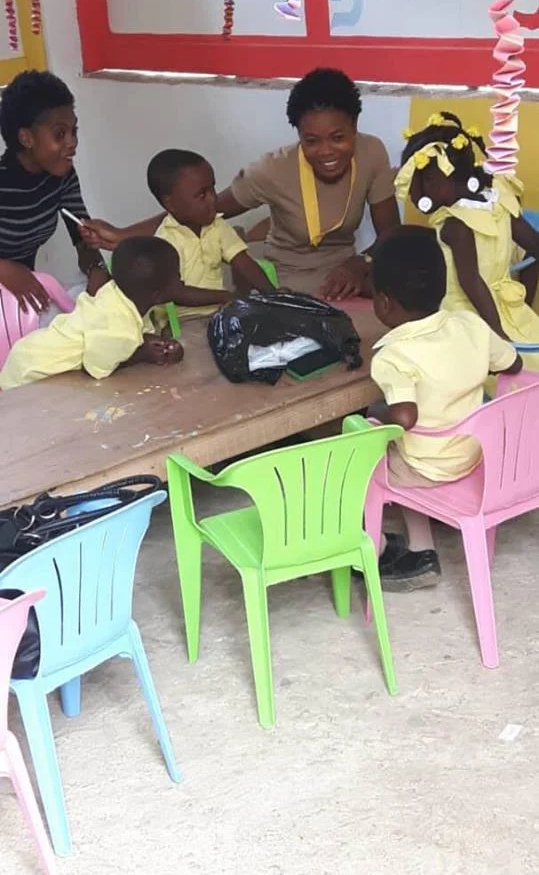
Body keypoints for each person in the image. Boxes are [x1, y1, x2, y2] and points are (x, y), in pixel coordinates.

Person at [79, 69, 400, 299]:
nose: (326, 151)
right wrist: (122, 235)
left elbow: (390, 235)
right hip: (289, 281)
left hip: (348, 274)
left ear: (355, 127)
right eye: (311, 141)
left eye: (339, 138)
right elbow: (202, 209)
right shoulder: (272, 169)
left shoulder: (372, 153)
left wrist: (361, 263)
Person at [369, 225, 521, 591]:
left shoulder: (392, 355)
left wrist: (376, 411)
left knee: (367, 452)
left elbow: (405, 416)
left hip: (429, 466)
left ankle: (376, 548)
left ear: (384, 303)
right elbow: (513, 364)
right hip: (473, 455)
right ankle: (421, 549)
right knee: (409, 447)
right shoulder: (469, 325)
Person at [395, 111, 539, 369]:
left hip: (469, 321)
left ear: (432, 179)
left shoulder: (455, 225)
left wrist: (500, 337)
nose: (415, 195)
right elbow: (536, 248)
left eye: (418, 183)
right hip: (510, 312)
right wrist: (522, 305)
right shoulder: (499, 201)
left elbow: (471, 282)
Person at [0, 236, 183, 390]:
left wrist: (156, 342)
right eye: (177, 277)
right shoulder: (119, 327)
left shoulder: (114, 292)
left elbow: (138, 333)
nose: (181, 280)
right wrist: (143, 355)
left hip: (27, 353)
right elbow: (96, 368)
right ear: (158, 296)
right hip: (30, 376)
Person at [0, 70, 109, 315]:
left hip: (17, 305)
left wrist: (96, 268)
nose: (72, 143)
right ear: (27, 138)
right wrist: (4, 269)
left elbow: (82, 237)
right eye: (60, 134)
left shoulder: (63, 176)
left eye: (74, 131)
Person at [147, 149, 274, 321]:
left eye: (212, 188)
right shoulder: (165, 242)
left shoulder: (217, 225)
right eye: (201, 195)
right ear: (171, 204)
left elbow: (243, 262)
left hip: (220, 311)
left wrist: (273, 295)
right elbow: (176, 292)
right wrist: (223, 296)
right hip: (185, 321)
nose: (212, 199)